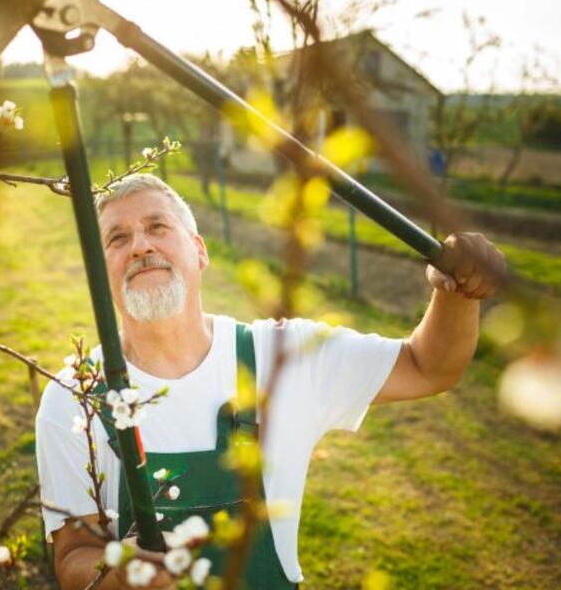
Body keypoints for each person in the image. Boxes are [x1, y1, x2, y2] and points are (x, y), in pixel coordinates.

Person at [35, 174, 506, 588]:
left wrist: (457, 292)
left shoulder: (283, 357)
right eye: (117, 239)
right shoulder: (73, 399)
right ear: (99, 274)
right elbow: (73, 556)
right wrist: (117, 576)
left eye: (157, 227)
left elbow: (429, 367)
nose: (140, 246)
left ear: (199, 251)